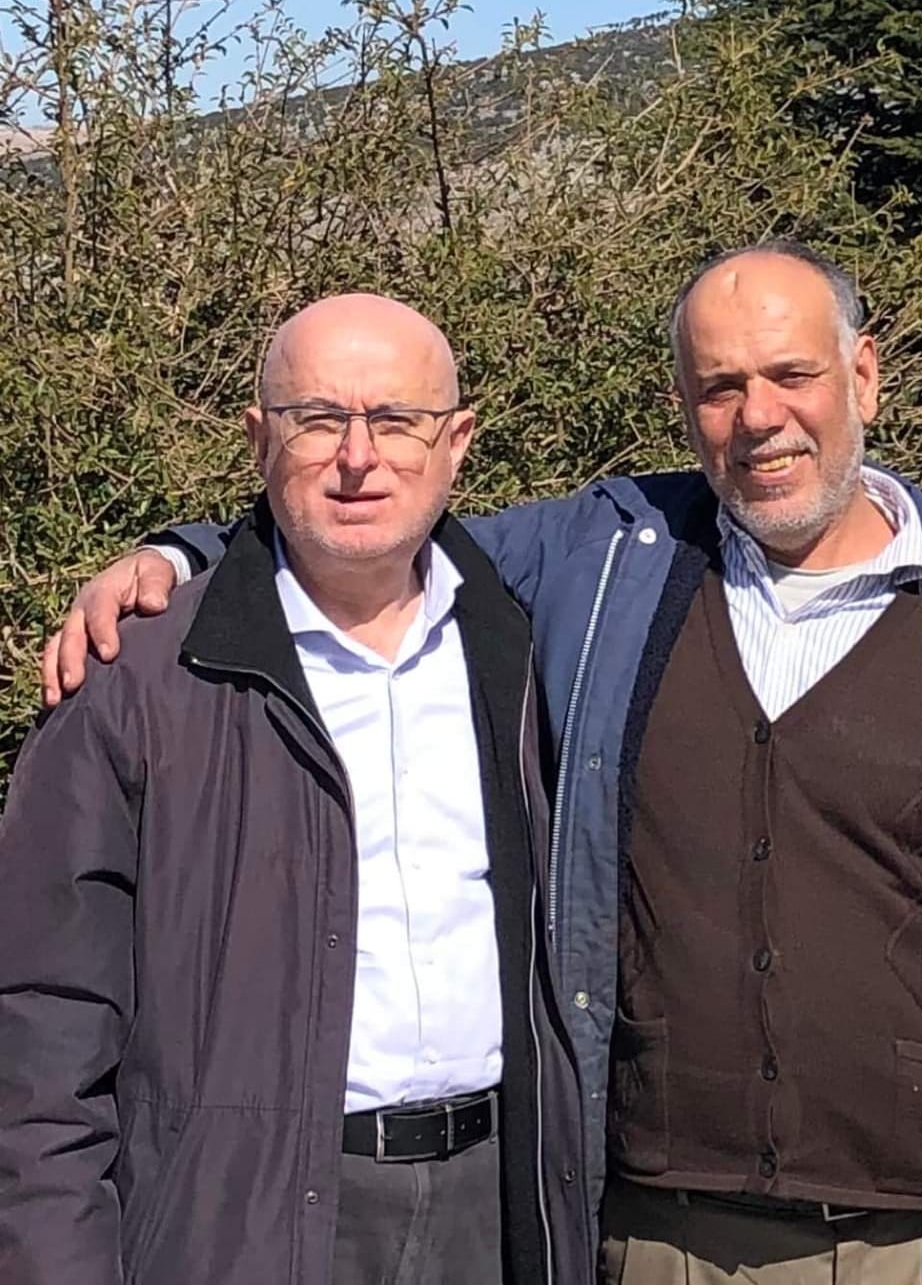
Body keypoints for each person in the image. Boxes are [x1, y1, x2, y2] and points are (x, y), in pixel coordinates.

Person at [41, 243, 922, 1285]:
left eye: (791, 374)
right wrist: (182, 556)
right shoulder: (612, 564)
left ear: (863, 375)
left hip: (915, 1238)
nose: (758, 416)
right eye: (720, 386)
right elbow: (369, 526)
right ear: (683, 406)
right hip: (646, 1232)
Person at [0, 293, 590, 1285]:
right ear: (259, 439)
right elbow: (41, 1024)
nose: (358, 457)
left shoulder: (530, 644)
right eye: (317, 418)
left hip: (496, 1206)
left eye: (395, 420)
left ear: (456, 442)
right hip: (239, 1218)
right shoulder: (138, 681)